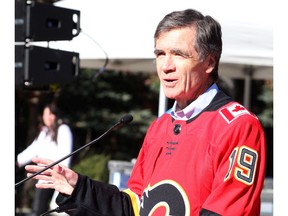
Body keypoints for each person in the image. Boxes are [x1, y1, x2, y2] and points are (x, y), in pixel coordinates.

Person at [25, 8, 266, 215]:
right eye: (160, 54)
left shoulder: (238, 126)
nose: (166, 66)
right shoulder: (160, 126)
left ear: (209, 62)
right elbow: (134, 206)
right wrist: (79, 189)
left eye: (179, 54)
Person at [17, 102, 73, 216]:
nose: (49, 117)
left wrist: (61, 175)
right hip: (44, 177)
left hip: (57, 176)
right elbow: (33, 149)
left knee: (50, 210)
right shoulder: (45, 132)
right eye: (46, 114)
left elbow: (66, 156)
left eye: (51, 114)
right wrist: (17, 161)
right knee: (38, 209)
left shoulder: (63, 129)